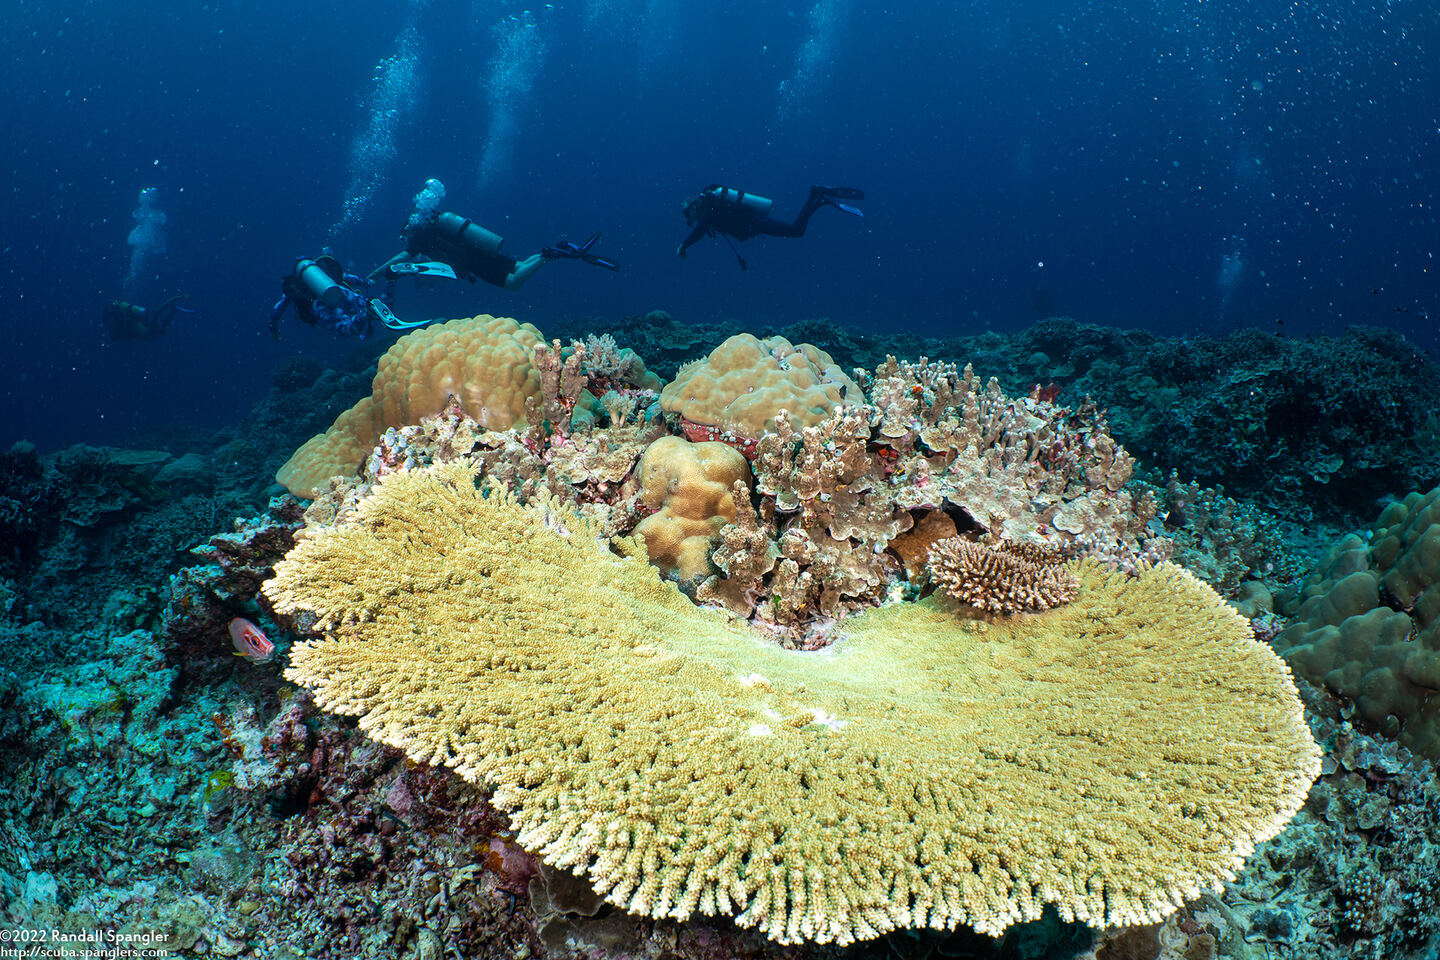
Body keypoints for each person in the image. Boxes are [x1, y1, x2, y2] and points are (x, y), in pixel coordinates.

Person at [368, 211, 618, 292]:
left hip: (473, 260)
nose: (407, 239)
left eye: (406, 234)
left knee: (512, 282)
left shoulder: (421, 238)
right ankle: (549, 251)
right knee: (516, 266)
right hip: (479, 250)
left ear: (410, 229)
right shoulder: (435, 230)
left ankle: (547, 255)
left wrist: (378, 271)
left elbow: (404, 257)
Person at [676, 184, 865, 269]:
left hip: (754, 223)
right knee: (795, 231)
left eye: (689, 214)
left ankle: (816, 196)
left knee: (796, 230)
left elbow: (698, 232)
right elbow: (700, 230)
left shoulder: (709, 212)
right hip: (754, 224)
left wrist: (684, 246)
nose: (691, 218)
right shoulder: (711, 210)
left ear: (694, 207)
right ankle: (818, 199)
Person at [269, 256, 379, 339]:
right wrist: (369, 282)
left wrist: (273, 327)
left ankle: (366, 312)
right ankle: (371, 305)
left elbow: (278, 308)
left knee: (348, 329)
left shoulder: (295, 288)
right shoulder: (324, 276)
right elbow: (347, 277)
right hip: (342, 293)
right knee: (363, 303)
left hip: (321, 309)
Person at [103, 295, 195, 341]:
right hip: (137, 321)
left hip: (136, 321)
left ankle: (172, 308)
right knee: (158, 330)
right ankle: (173, 309)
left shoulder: (117, 323)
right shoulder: (116, 327)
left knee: (157, 329)